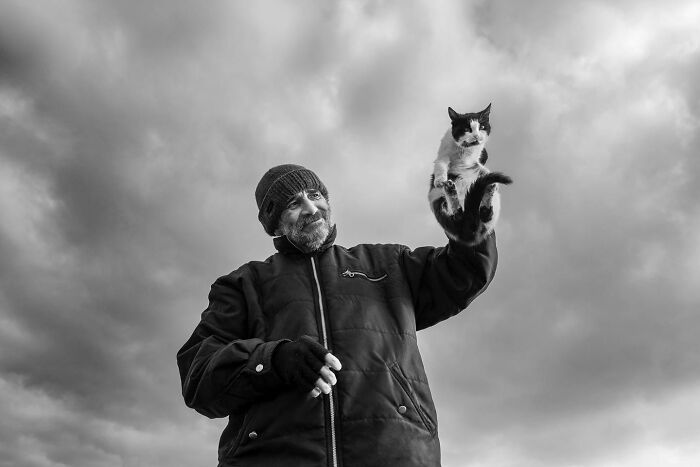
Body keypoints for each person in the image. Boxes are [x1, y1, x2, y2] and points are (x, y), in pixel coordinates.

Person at [177, 164, 498, 467]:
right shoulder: (243, 285)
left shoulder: (388, 264)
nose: (311, 208)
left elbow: (464, 273)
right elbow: (198, 375)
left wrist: (471, 230)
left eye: (315, 196)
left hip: (394, 455)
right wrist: (273, 361)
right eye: (293, 203)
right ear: (274, 223)